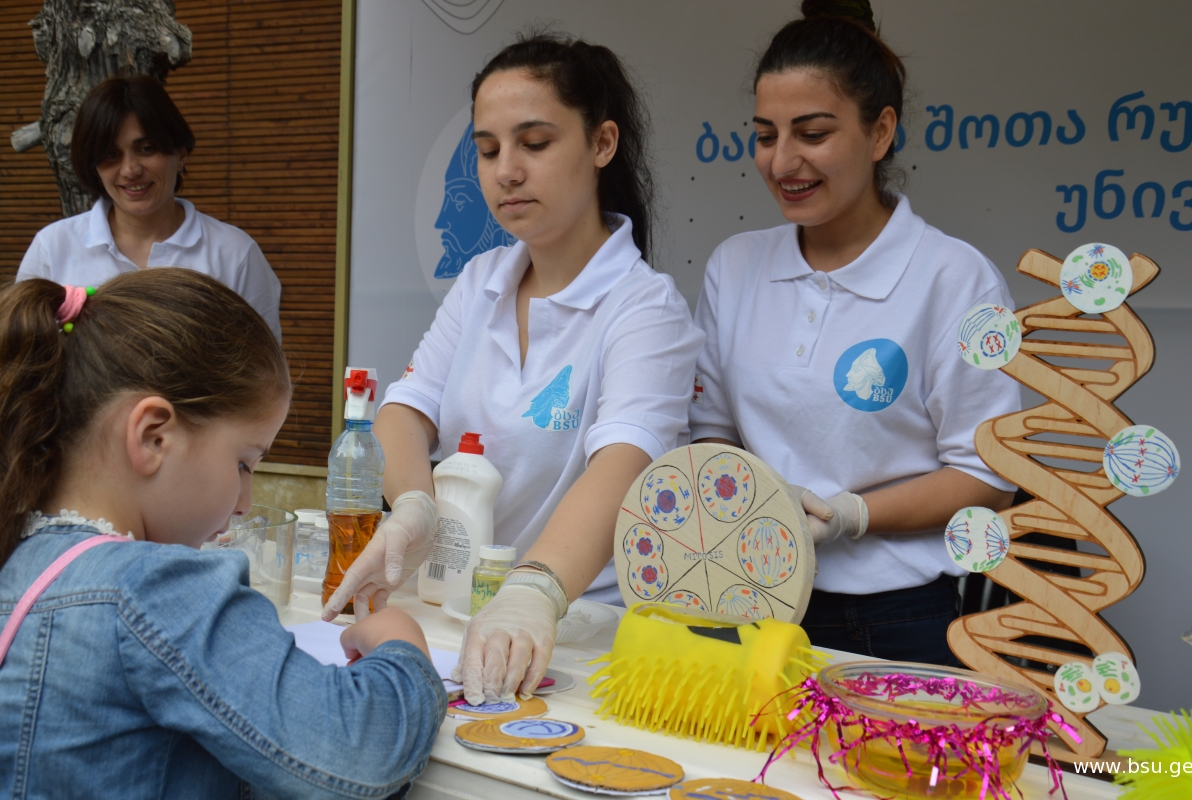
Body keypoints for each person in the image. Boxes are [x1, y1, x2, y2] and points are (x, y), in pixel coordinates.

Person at [322, 34, 703, 704]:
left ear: (601, 144)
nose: (506, 171)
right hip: (454, 611)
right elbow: (405, 411)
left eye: (534, 143)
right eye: (489, 148)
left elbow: (622, 466)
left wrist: (535, 590)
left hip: (578, 627)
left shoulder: (645, 308)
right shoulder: (481, 281)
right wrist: (414, 506)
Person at [0, 270, 443, 797]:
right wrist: (402, 647)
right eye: (243, 463)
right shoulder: (157, 590)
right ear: (153, 437)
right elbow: (355, 751)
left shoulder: (18, 560)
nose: (245, 503)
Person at [689, 0, 1020, 666]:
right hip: (746, 599)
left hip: (893, 620)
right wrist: (745, 504)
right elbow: (711, 432)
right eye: (765, 135)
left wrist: (849, 515)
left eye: (812, 133)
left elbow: (987, 475)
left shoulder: (953, 279)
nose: (782, 161)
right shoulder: (736, 265)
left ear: (880, 132)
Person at [16, 76, 282, 340]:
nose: (130, 170)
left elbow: (263, 362)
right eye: (111, 154)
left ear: (180, 154)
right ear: (94, 167)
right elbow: (22, 355)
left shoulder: (235, 253)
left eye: (146, 149)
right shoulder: (52, 248)